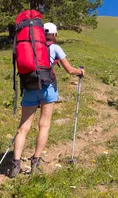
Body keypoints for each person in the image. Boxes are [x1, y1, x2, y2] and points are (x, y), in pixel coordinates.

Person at [9, 22, 85, 177]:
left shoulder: (29, 47)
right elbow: (69, 69)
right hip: (47, 88)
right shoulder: (55, 48)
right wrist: (81, 71)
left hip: (30, 87)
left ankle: (15, 164)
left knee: (23, 128)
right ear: (54, 34)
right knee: (44, 125)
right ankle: (35, 162)